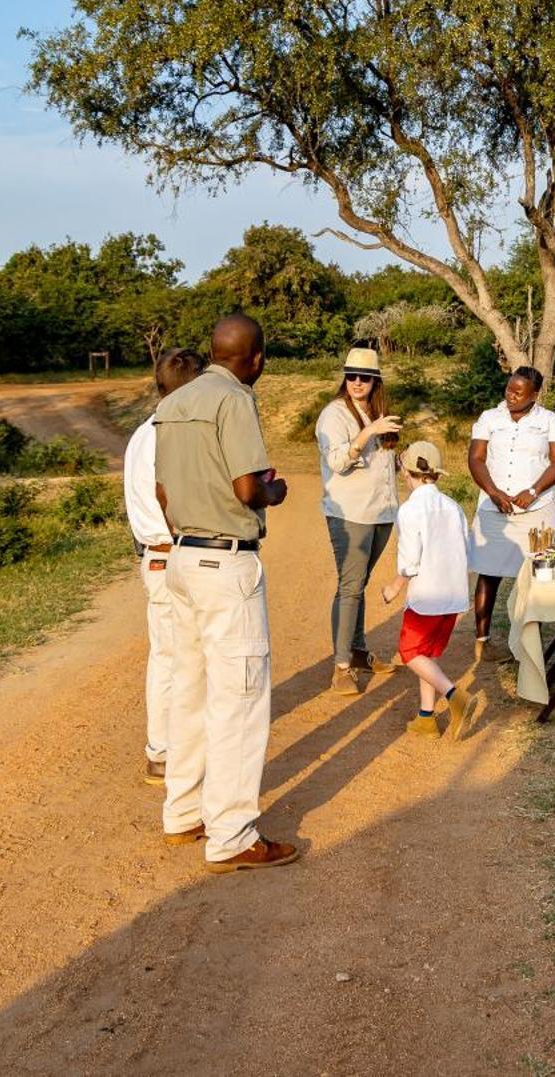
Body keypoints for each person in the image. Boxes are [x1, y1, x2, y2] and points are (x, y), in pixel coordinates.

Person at [151, 314, 300, 873]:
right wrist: (275, 490)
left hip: (183, 557)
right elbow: (247, 488)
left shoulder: (173, 403)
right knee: (239, 700)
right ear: (256, 357)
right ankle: (233, 834)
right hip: (225, 562)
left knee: (189, 691)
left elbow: (163, 492)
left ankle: (183, 812)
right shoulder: (233, 399)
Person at [123, 346, 205, 786]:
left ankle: (165, 746)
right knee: (181, 655)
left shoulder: (141, 433)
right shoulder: (171, 433)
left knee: (167, 652)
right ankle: (168, 750)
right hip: (172, 549)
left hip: (151, 552)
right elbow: (165, 495)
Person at [314, 345, 402, 696]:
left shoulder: (378, 412)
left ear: (375, 380)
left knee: (359, 584)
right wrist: (368, 433)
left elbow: (386, 462)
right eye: (351, 375)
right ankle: (341, 668)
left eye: (364, 377)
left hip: (382, 512)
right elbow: (338, 462)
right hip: (350, 514)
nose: (356, 382)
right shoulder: (334, 415)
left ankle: (359, 650)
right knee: (350, 587)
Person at [466, 367, 555, 661]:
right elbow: (476, 458)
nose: (510, 396)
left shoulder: (550, 421)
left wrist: (534, 491)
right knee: (488, 573)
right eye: (509, 389)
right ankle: (482, 642)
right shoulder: (490, 418)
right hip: (494, 507)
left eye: (518, 392)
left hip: (536, 510)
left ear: (534, 395)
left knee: (539, 573)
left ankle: (529, 641)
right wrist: (493, 492)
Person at [381, 441, 476, 739]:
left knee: (410, 653)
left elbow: (410, 559)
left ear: (407, 474)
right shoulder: (453, 506)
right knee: (428, 654)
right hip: (454, 595)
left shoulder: (410, 510)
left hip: (428, 597)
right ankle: (426, 717)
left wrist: (395, 586)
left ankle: (454, 695)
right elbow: (467, 550)